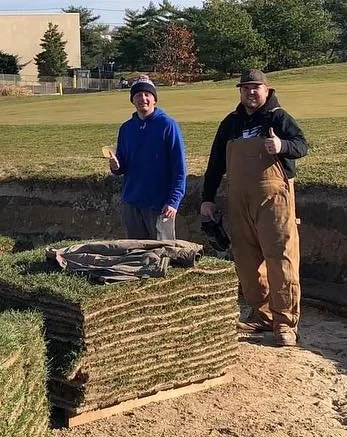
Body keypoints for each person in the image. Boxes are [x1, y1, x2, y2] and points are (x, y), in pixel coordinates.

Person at [199, 69, 309, 346]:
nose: (250, 92)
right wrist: (207, 198)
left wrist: (281, 144)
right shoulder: (230, 123)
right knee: (247, 263)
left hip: (275, 200)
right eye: (245, 88)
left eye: (255, 88)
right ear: (240, 91)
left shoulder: (279, 117)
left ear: (266, 90)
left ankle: (285, 323)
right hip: (239, 201)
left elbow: (302, 145)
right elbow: (215, 165)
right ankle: (261, 315)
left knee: (280, 260)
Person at [108, 76, 186, 240]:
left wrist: (174, 201)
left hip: (161, 204)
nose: (143, 98)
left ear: (154, 99)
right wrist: (116, 166)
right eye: (138, 95)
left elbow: (179, 168)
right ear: (132, 100)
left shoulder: (168, 125)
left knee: (162, 255)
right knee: (136, 253)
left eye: (147, 94)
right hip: (132, 202)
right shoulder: (126, 128)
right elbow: (123, 165)